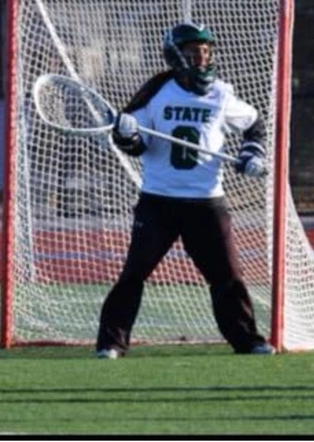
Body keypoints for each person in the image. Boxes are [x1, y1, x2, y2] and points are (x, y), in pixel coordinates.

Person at [94, 21, 274, 359]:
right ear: (176, 56)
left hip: (207, 203)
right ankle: (111, 342)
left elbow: (254, 125)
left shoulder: (221, 93)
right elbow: (136, 147)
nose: (202, 59)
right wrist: (127, 134)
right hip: (159, 202)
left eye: (205, 52)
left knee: (228, 277)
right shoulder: (155, 95)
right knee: (134, 274)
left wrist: (253, 154)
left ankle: (247, 340)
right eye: (193, 53)